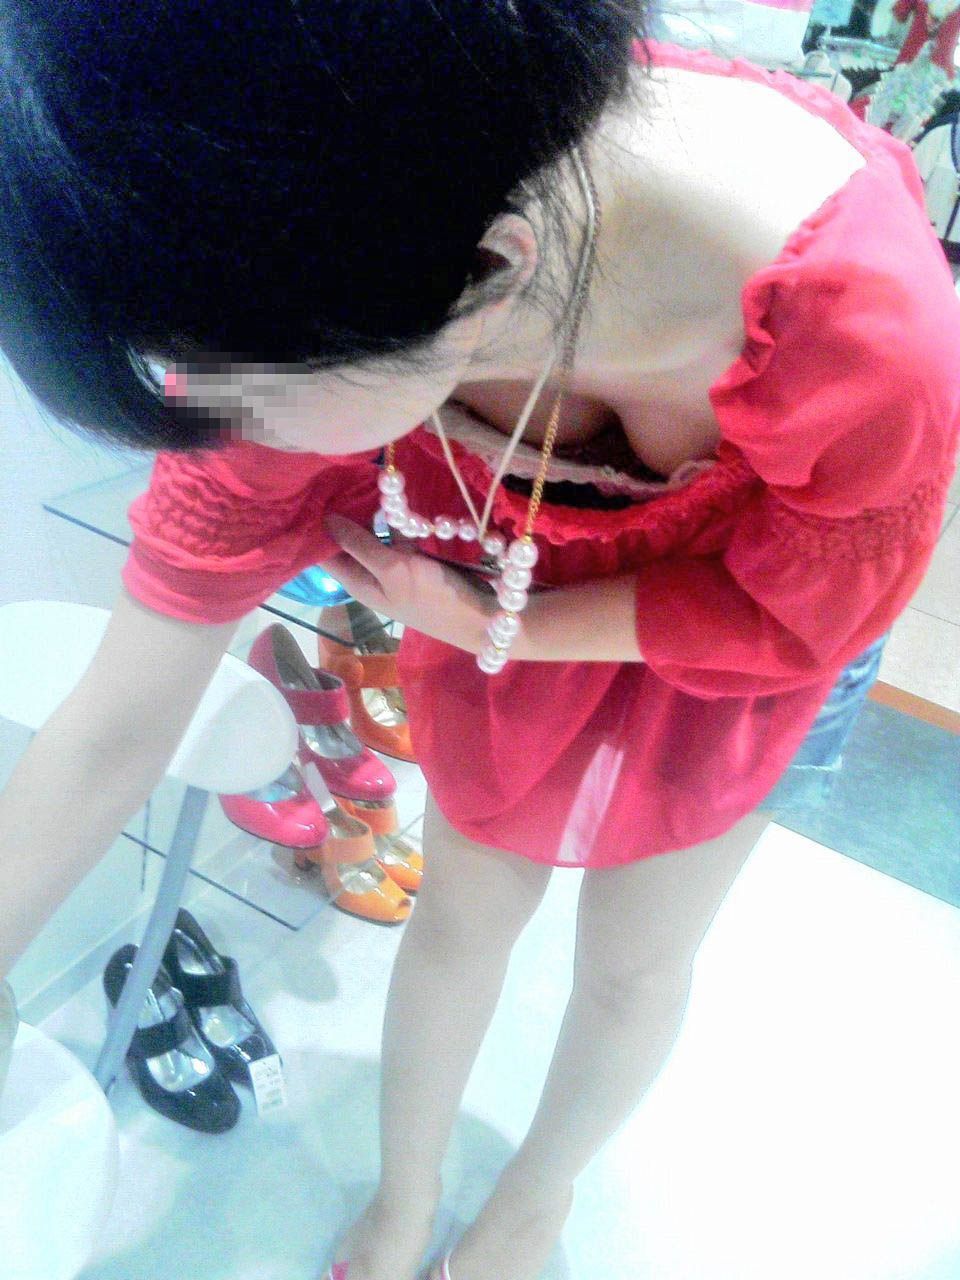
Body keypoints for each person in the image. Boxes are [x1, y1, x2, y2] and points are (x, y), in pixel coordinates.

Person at [1, 5, 959, 1280]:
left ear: (490, 278)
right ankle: (406, 1196)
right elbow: (116, 721)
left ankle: (536, 1196)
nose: (225, 430)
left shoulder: (869, 340)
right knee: (463, 909)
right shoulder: (330, 274)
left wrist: (517, 622)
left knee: (636, 956)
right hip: (495, 591)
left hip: (751, 643)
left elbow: (788, 618)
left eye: (246, 394)